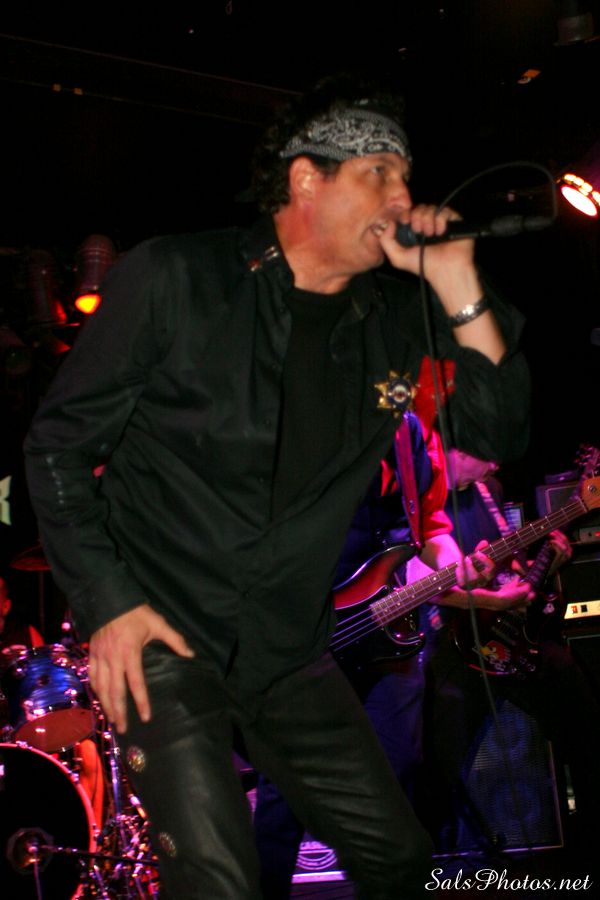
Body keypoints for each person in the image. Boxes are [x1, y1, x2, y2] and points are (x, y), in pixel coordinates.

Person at [23, 72, 530, 899]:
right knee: (220, 882)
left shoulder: (394, 317)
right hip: (162, 635)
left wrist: (459, 285)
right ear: (306, 179)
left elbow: (497, 433)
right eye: (378, 173)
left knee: (401, 862)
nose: (401, 197)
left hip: (289, 650)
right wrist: (108, 603)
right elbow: (57, 447)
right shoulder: (177, 279)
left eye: (406, 177)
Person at [421, 446, 600, 862]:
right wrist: (497, 601)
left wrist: (546, 565)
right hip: (454, 643)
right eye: (488, 455)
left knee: (584, 716)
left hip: (509, 639)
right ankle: (419, 862)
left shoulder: (490, 490)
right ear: (458, 447)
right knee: (436, 764)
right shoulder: (423, 499)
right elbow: (429, 589)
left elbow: (510, 568)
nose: (496, 465)